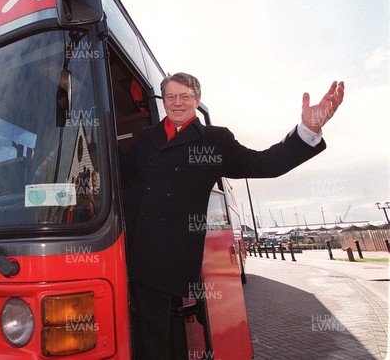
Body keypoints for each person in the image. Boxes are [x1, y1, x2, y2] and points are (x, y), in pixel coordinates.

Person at [120, 72, 344, 359]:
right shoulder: (146, 137)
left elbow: (266, 163)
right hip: (125, 247)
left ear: (197, 100)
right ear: (163, 101)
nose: (177, 103)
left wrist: (307, 130)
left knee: (155, 339)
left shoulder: (215, 140)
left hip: (166, 257)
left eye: (185, 96)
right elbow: (123, 175)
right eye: (171, 96)